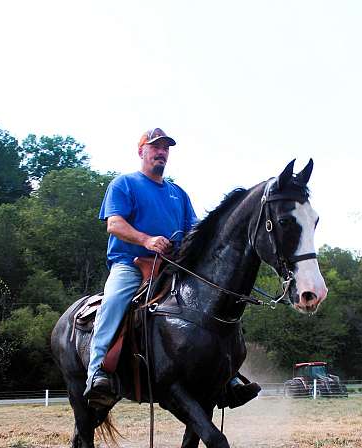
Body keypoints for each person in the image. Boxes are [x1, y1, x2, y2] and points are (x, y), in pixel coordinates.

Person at [84, 127, 260, 408]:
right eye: (155, 147)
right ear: (141, 151)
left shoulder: (178, 193)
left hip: (172, 266)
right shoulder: (124, 184)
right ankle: (97, 373)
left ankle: (226, 375)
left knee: (214, 304)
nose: (161, 152)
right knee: (114, 302)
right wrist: (147, 239)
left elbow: (194, 233)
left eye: (165, 148)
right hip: (132, 264)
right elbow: (114, 224)